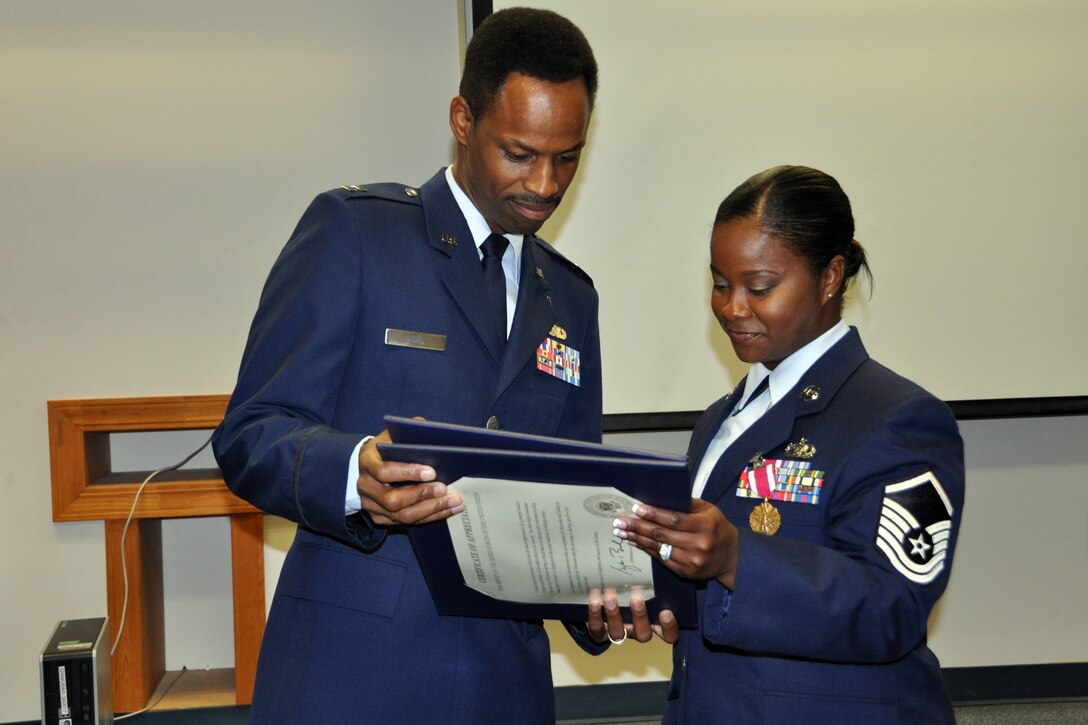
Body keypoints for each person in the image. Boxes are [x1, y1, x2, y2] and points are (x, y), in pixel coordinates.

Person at [212, 8, 603, 723]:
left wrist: (602, 600)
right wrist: (354, 469)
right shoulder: (357, 234)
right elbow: (250, 433)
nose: (546, 184)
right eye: (520, 152)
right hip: (352, 679)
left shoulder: (571, 299)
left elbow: (571, 492)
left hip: (504, 689)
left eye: (567, 156)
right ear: (462, 119)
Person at [588, 165, 965, 723]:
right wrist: (635, 591)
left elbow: (893, 608)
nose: (732, 308)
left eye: (759, 287)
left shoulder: (899, 418)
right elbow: (708, 578)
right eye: (719, 283)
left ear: (831, 275)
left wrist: (737, 557)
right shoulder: (722, 418)